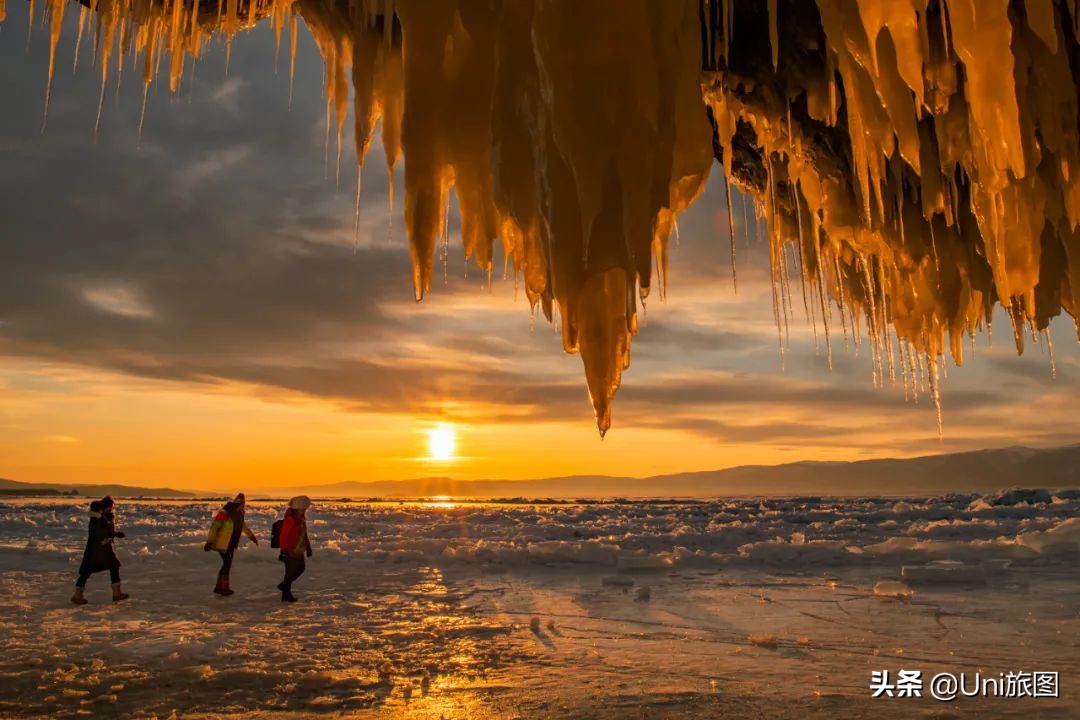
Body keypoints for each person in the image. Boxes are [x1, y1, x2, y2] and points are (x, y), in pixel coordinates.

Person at [72, 496, 128, 604]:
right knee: (85, 572)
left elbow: (106, 531)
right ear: (105, 506)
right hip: (95, 550)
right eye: (110, 507)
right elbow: (99, 533)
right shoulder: (96, 518)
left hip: (105, 548)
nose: (111, 509)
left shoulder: (105, 517)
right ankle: (77, 596)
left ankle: (117, 594)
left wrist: (114, 532)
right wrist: (115, 534)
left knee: (114, 566)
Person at [203, 493, 258, 596]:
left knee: (227, 564)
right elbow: (215, 526)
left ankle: (219, 587)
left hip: (231, 543)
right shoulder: (225, 511)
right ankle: (224, 588)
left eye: (242, 501)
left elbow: (243, 526)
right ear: (234, 501)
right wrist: (209, 541)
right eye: (238, 500)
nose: (240, 503)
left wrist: (251, 536)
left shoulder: (240, 513)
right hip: (222, 542)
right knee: (227, 563)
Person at [277, 496, 312, 602]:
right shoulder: (291, 519)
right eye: (303, 508)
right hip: (290, 549)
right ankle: (286, 592)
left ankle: (285, 589)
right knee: (291, 572)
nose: (305, 510)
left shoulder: (300, 518)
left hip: (299, 548)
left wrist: (308, 546)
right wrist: (283, 550)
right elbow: (284, 535)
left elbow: (304, 533)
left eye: (305, 509)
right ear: (297, 507)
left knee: (300, 568)